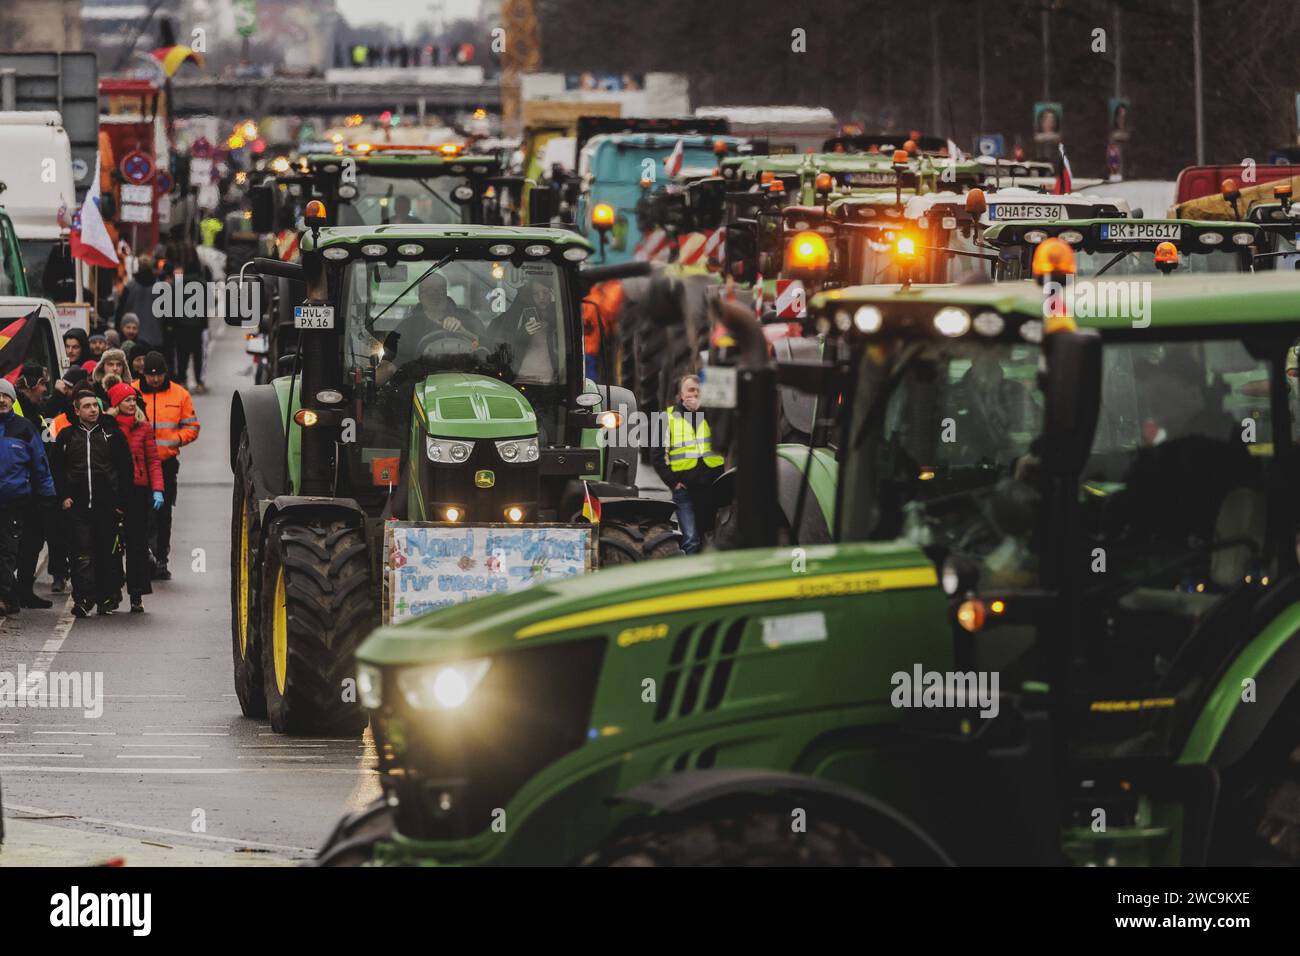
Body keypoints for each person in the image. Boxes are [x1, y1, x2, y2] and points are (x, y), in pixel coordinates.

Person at [52, 389, 133, 616]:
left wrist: (120, 502)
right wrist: (63, 497)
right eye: (86, 406)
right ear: (77, 410)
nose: (92, 410)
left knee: (107, 552)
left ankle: (108, 597)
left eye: (95, 405)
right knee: (81, 553)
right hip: (77, 506)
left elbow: (125, 470)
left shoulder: (112, 435)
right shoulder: (67, 437)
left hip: (106, 505)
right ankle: (84, 599)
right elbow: (56, 469)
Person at [133, 351, 199, 580]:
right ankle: (143, 558)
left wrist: (176, 440)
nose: (154, 380)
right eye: (150, 376)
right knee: (140, 514)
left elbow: (192, 427)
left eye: (158, 375)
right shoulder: (132, 392)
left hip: (165, 464)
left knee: (163, 515)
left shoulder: (180, 394)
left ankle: (161, 559)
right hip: (138, 464)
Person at [0, 378, 57, 613]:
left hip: (14, 501)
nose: (1, 400)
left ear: (12, 400)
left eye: (5, 396)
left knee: (7, 551)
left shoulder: (25, 428)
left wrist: (48, 495)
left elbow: (40, 464)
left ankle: (4, 597)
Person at [651, 375, 724, 554]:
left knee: (712, 537)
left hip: (712, 486)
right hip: (684, 489)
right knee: (691, 539)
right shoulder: (666, 417)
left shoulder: (714, 415)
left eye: (700, 391)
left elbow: (727, 438)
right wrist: (673, 482)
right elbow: (657, 454)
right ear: (681, 395)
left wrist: (704, 410)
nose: (695, 394)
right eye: (691, 390)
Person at [107, 381, 163, 612]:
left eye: (133, 400)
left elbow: (153, 460)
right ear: (117, 404)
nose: (131, 404)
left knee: (137, 544)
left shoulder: (143, 427)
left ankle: (137, 593)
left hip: (138, 491)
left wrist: (157, 488)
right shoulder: (108, 427)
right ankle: (111, 591)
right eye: (127, 400)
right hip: (115, 491)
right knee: (112, 545)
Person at [14, 363, 60, 607]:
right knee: (21, 542)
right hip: (22, 488)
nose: (45, 388)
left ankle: (23, 590)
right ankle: (16, 591)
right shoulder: (19, 408)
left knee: (33, 541)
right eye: (42, 383)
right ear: (31, 385)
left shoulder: (35, 409)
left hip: (36, 486)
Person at [173, 244, 209, 394]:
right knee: (198, 354)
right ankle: (199, 381)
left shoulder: (179, 281)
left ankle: (182, 380)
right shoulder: (201, 281)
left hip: (181, 324)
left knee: (182, 353)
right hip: (198, 324)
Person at [115, 255, 165, 355]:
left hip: (132, 336)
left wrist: (118, 330)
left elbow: (120, 311)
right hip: (155, 337)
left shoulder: (130, 287)